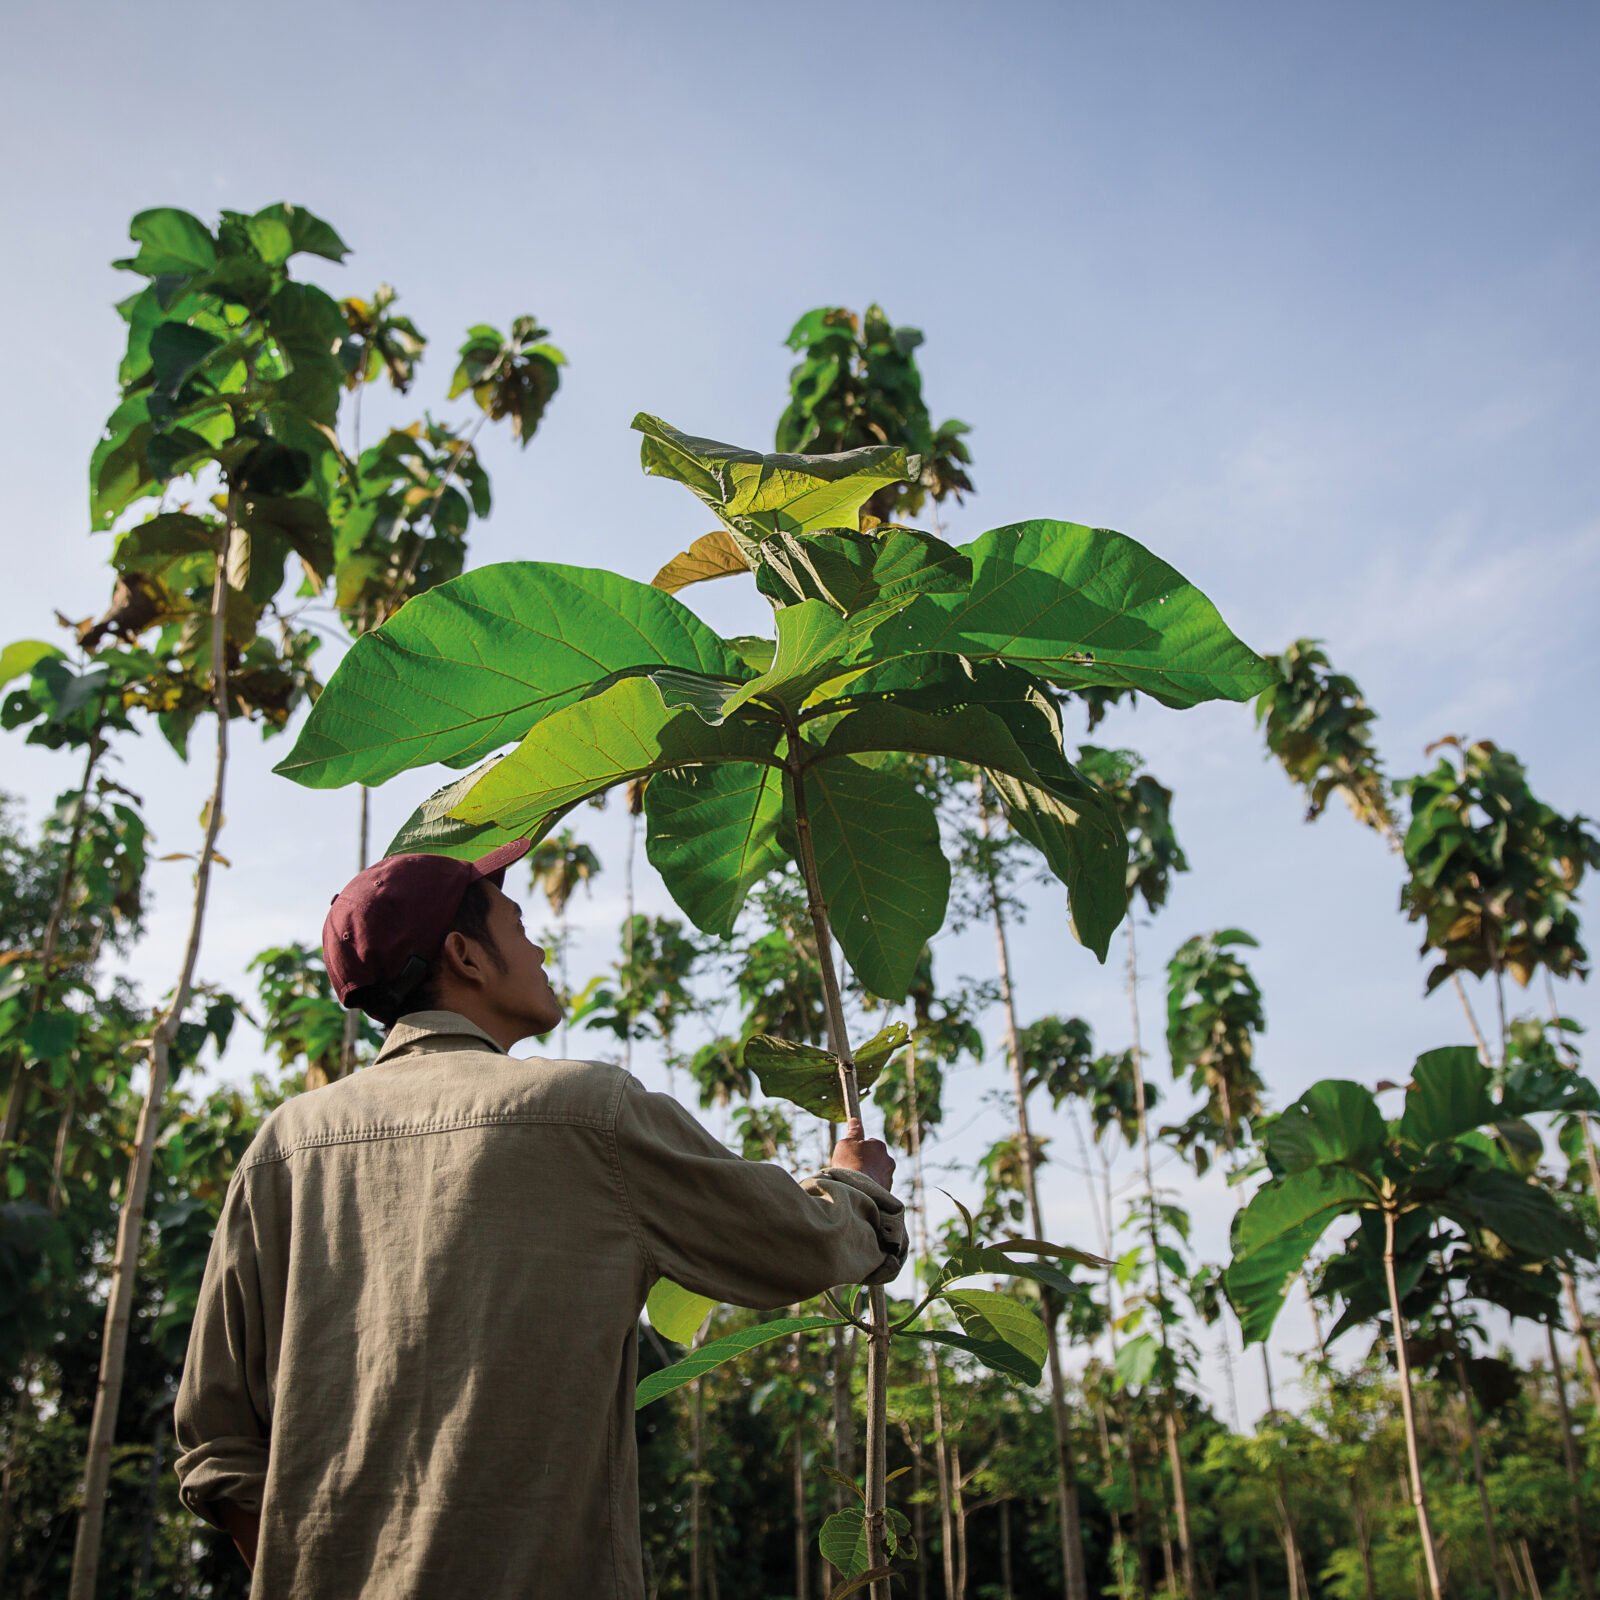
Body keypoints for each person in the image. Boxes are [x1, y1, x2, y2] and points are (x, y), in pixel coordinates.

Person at [173, 840, 905, 1598]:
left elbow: (214, 1440)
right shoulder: (587, 1113)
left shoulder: (283, 1147)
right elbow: (799, 1245)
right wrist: (854, 1189)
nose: (539, 944)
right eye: (518, 925)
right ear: (466, 955)